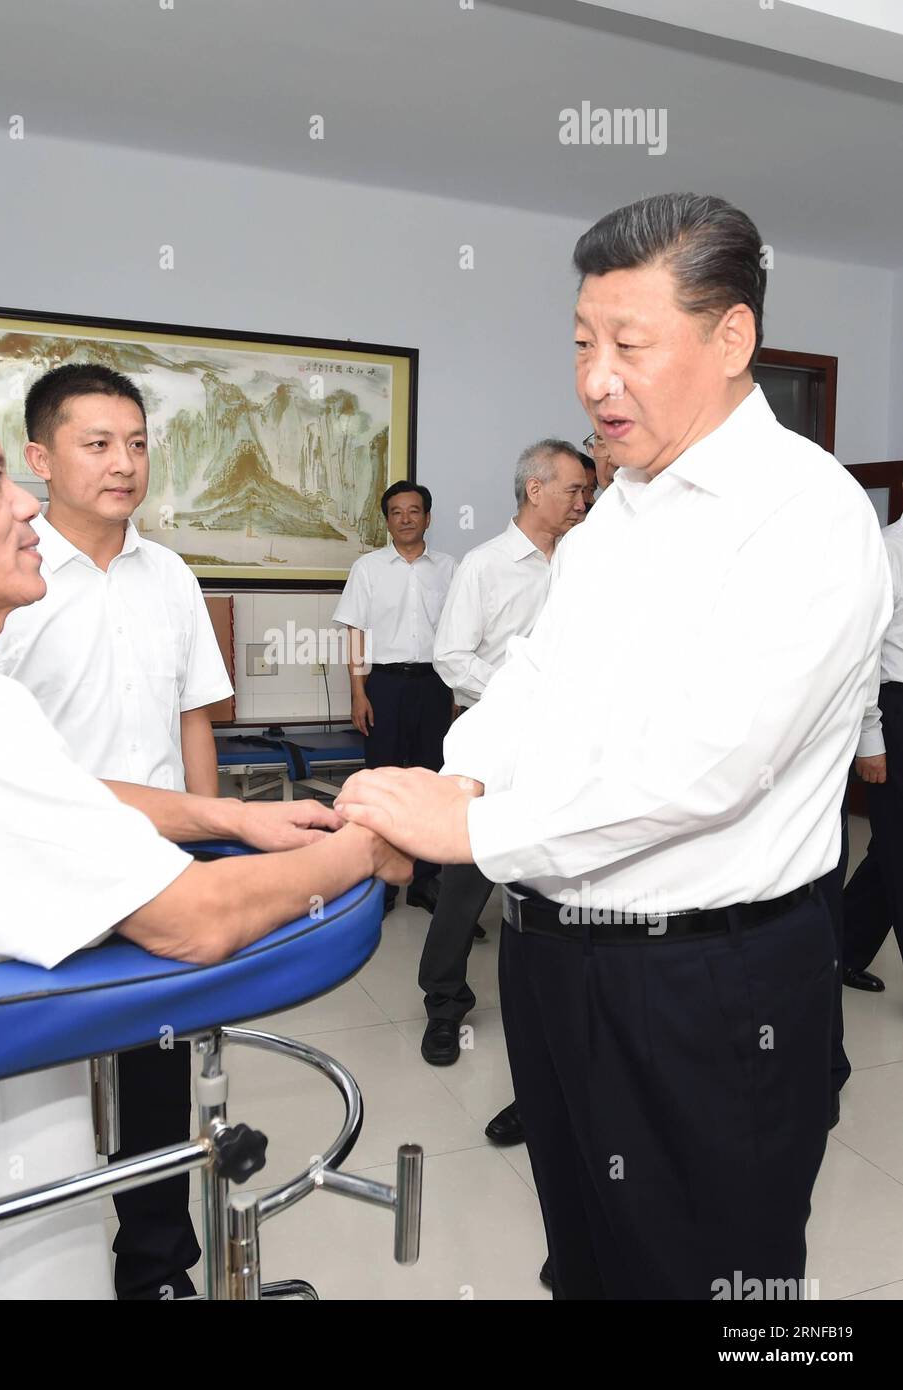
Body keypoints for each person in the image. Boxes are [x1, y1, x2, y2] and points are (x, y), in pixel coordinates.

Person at [0, 354, 410, 1300]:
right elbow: (195, 923)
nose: (22, 507)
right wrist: (367, 848)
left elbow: (66, 794)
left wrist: (224, 816)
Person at [335, 193, 890, 1299]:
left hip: (704, 976)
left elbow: (712, 766)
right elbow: (536, 683)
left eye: (627, 344)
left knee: (708, 1273)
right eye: (583, 343)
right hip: (555, 959)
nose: (594, 377)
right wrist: (450, 773)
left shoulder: (804, 516)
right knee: (586, 1255)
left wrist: (472, 825)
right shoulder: (617, 518)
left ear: (729, 338)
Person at [0, 363, 233, 1299]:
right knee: (39, 1088)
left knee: (157, 1080)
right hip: (39, 871)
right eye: (98, 444)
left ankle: (158, 1265)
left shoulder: (167, 573)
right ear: (41, 457)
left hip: (157, 868)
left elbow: (193, 719)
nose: (123, 463)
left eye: (136, 443)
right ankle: (40, 1270)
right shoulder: (7, 575)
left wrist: (211, 851)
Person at [420, 440, 586, 1074]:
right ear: (534, 489)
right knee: (465, 884)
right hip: (494, 742)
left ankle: (556, 1009)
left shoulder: (585, 559)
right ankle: (443, 1003)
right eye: (574, 489)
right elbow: (451, 657)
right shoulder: (485, 565)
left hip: (567, 748)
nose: (584, 501)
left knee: (555, 878)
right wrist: (524, 697)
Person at [335, 481, 455, 913]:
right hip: (383, 685)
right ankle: (381, 884)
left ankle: (425, 880)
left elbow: (459, 634)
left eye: (414, 511)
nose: (406, 519)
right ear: (386, 520)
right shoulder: (367, 568)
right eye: (396, 512)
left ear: (428, 517)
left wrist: (456, 694)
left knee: (432, 783)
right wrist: (358, 694)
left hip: (435, 685)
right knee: (381, 784)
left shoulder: (450, 568)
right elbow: (356, 634)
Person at [841, 516, 903, 992]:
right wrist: (871, 739)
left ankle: (842, 947)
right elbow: (863, 651)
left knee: (889, 847)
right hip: (894, 706)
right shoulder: (885, 548)